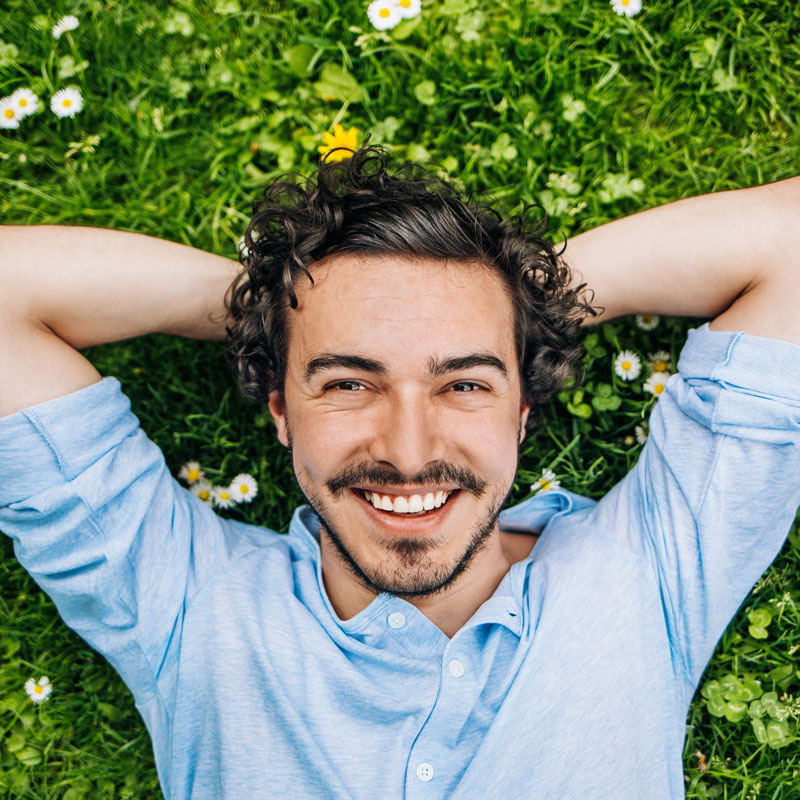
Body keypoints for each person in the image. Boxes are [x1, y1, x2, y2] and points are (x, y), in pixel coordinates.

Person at [1, 145, 798, 800]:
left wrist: (525, 301)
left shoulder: (651, 576)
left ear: (523, 411)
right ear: (281, 409)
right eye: (348, 382)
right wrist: (279, 306)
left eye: (465, 384)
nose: (410, 450)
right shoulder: (185, 606)